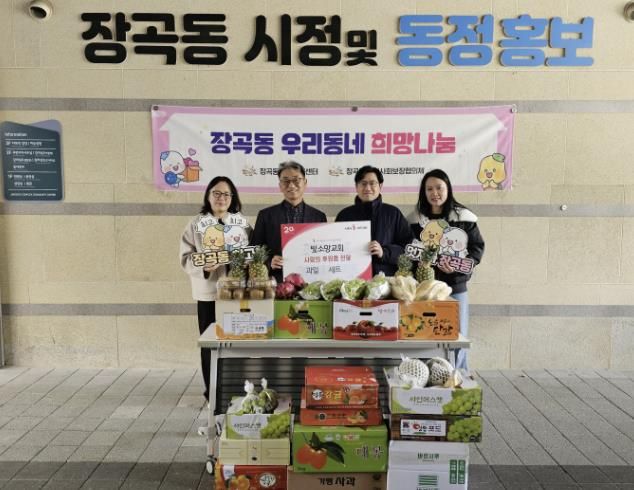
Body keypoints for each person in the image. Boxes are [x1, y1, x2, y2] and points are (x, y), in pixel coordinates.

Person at [180, 176, 251, 401]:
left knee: (236, 342)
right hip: (208, 294)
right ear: (208, 196)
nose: (221, 198)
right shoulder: (195, 224)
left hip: (235, 294)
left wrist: (246, 263)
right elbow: (185, 257)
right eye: (217, 193)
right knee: (210, 344)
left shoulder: (241, 223)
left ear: (233, 198)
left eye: (226, 194)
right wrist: (203, 266)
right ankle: (212, 391)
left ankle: (236, 388)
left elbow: (253, 252)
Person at [412, 169, 485, 371]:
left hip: (455, 287)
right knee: (424, 332)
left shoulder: (463, 217)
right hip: (424, 289)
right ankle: (426, 374)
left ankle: (459, 375)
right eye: (429, 189)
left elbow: (476, 249)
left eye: (439, 188)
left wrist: (457, 268)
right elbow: (409, 251)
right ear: (424, 192)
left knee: (457, 334)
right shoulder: (415, 220)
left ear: (448, 189)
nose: (434, 193)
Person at [251, 161, 327, 283]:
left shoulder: (319, 217)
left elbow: (324, 251)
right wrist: (269, 262)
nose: (291, 185)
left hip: (310, 282)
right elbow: (255, 250)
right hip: (275, 282)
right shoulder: (265, 215)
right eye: (286, 181)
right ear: (280, 185)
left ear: (305, 183)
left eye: (296, 180)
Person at [335, 165, 412, 276]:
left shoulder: (393, 213)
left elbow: (408, 247)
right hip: (352, 279)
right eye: (363, 183)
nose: (367, 188)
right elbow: (336, 248)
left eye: (372, 183)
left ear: (380, 186)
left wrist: (384, 252)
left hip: (386, 280)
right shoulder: (344, 215)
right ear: (356, 186)